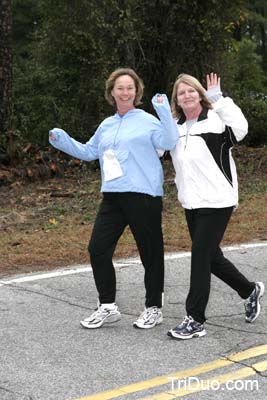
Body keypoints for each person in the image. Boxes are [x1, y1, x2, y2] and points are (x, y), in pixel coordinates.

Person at [49, 67, 178, 329]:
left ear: (137, 92)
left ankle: (153, 308)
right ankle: (107, 306)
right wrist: (62, 141)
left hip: (143, 195)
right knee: (97, 248)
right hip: (113, 196)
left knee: (150, 254)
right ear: (112, 92)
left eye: (130, 87)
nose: (125, 92)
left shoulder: (148, 120)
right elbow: (88, 151)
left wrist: (163, 111)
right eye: (120, 87)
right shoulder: (106, 125)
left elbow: (170, 139)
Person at [157, 72, 264, 340]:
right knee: (211, 258)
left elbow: (241, 128)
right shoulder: (176, 127)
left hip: (218, 201)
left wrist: (219, 99)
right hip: (191, 203)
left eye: (192, 90)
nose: (187, 95)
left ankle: (195, 319)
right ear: (177, 100)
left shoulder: (216, 120)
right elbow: (157, 149)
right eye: (182, 93)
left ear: (200, 94)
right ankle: (249, 290)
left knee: (200, 256)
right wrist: (161, 118)